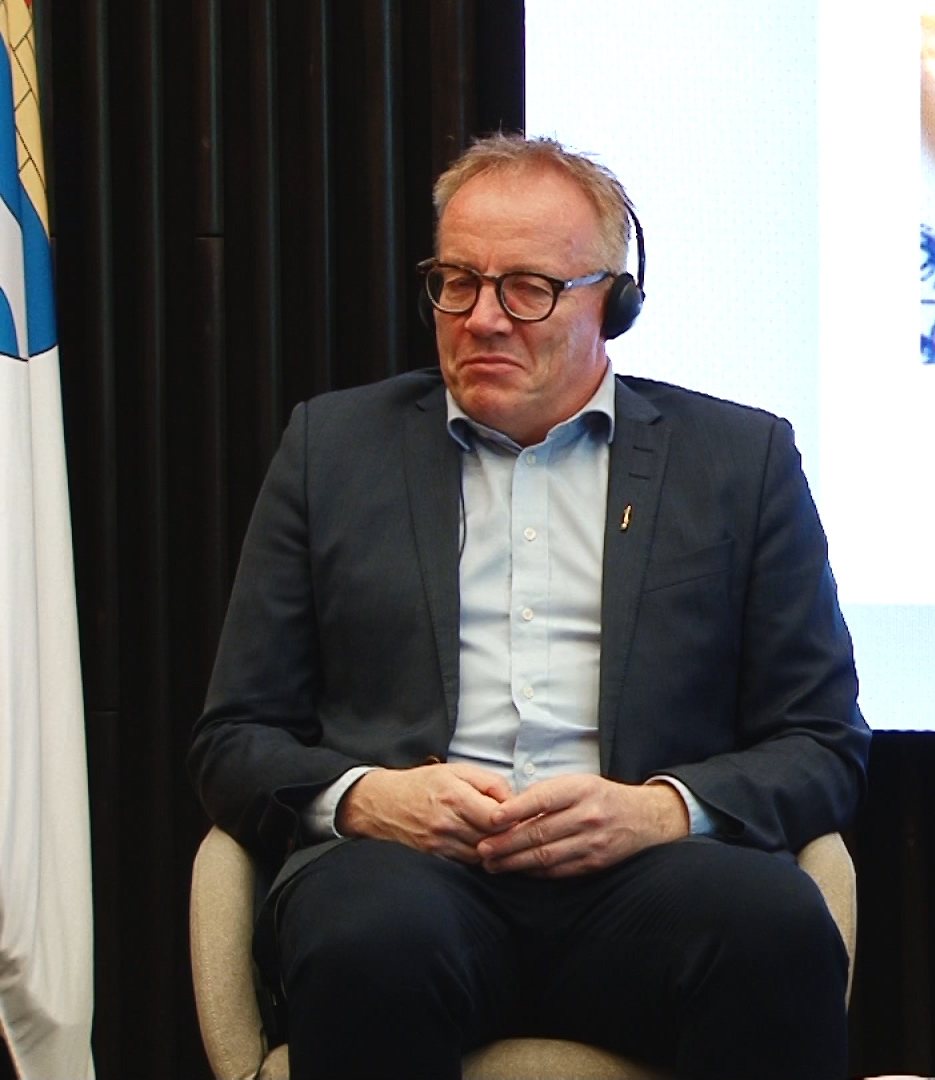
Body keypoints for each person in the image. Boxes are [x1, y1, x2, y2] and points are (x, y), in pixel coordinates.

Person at [187, 135, 868, 1080]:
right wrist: (372, 798)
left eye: (527, 290)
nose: (482, 320)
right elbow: (231, 742)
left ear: (614, 304)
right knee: (370, 936)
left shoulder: (738, 463)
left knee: (775, 927)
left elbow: (822, 744)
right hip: (404, 880)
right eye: (457, 283)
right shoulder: (331, 452)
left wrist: (657, 811)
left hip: (649, 885)